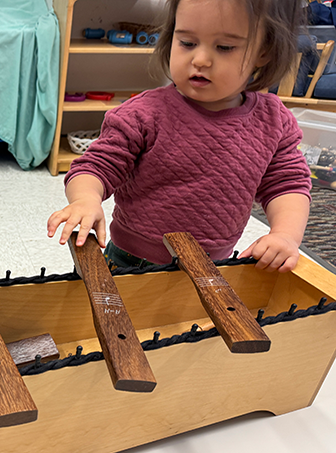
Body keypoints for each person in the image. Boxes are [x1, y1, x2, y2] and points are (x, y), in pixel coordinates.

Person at [47, 0, 311, 273]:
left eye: (224, 47)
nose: (200, 60)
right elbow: (96, 166)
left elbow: (288, 185)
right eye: (187, 42)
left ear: (264, 51)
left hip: (212, 266)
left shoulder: (273, 121)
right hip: (129, 262)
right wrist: (86, 199)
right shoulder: (143, 114)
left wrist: (285, 235)